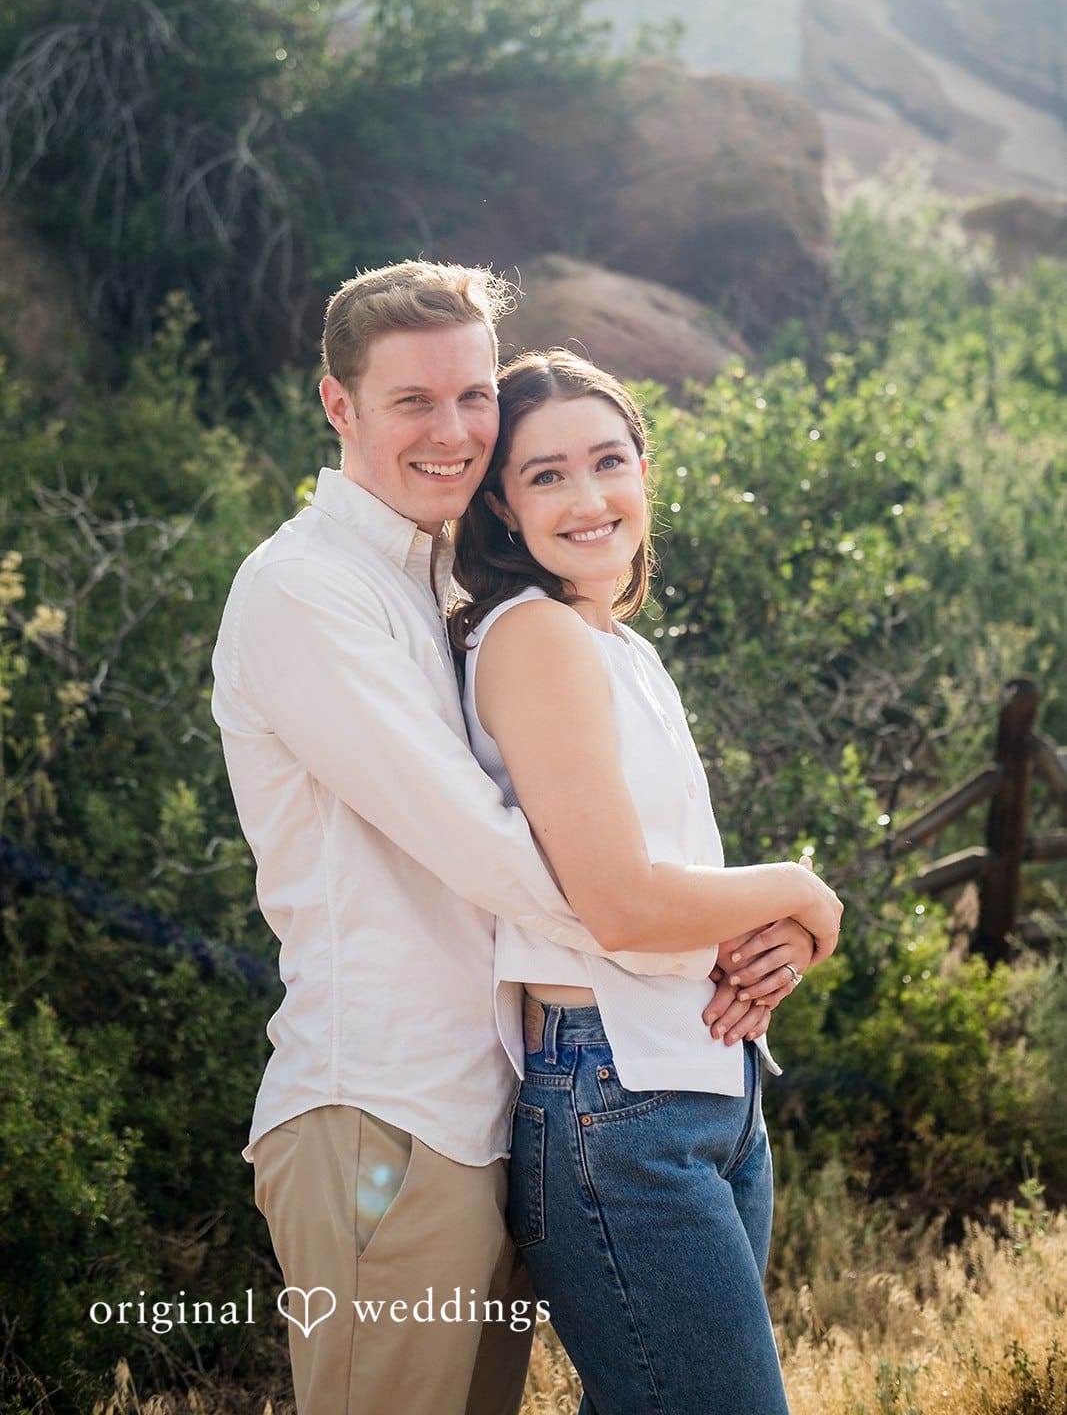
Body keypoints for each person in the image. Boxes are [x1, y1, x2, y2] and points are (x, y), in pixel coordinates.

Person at [211, 261, 839, 1415]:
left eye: (471, 397)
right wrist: (734, 916)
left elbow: (592, 844)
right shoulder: (307, 589)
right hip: (382, 1111)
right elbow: (502, 851)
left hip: (496, 1100)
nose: (450, 430)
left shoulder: (450, 584)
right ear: (337, 406)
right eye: (411, 400)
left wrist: (732, 929)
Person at [451, 348, 837, 1414]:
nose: (587, 497)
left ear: (644, 469)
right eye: (545, 475)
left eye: (607, 460)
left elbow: (675, 881)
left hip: (706, 1083)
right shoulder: (532, 636)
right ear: (500, 504)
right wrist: (799, 888)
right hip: (615, 1103)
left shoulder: (616, 644)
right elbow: (617, 901)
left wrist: (779, 941)